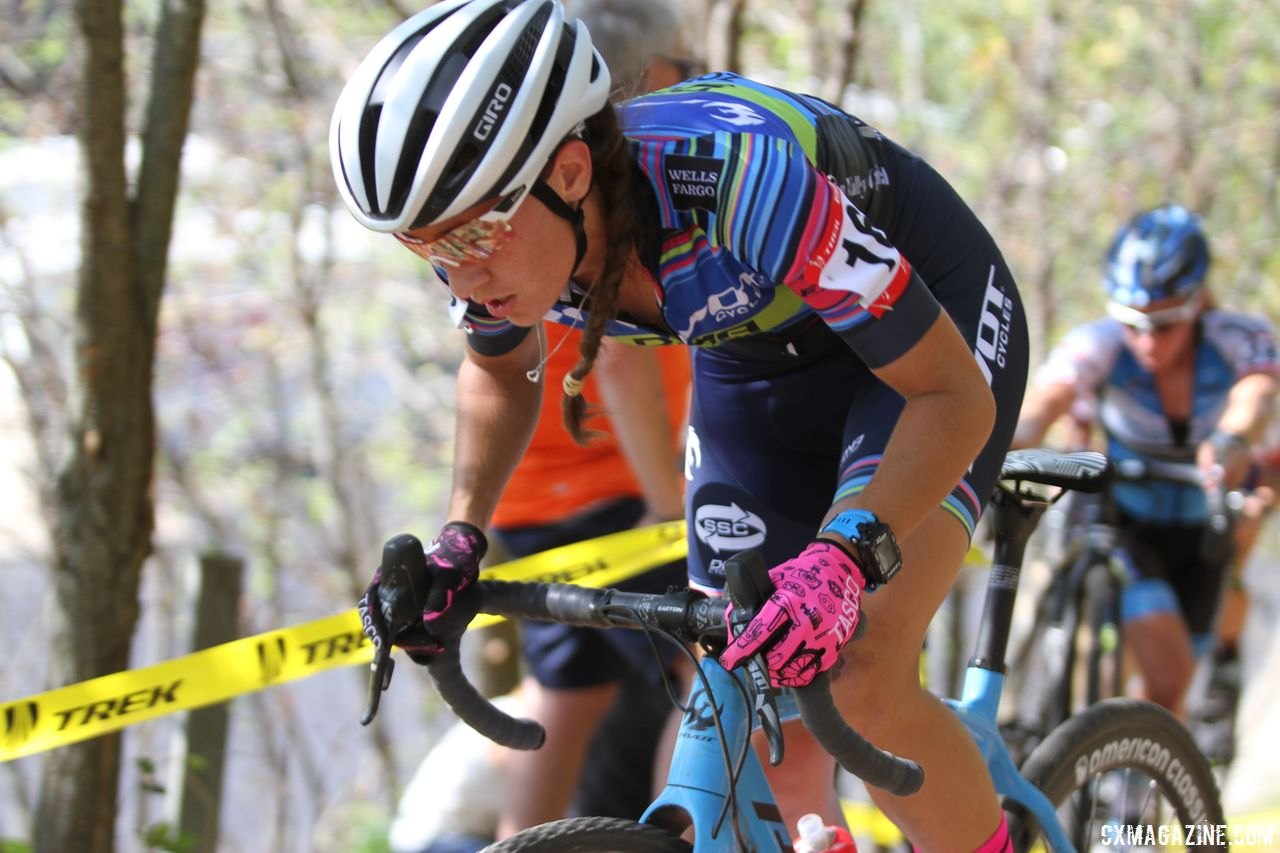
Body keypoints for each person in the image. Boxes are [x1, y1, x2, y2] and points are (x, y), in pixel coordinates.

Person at [339, 2, 1029, 850]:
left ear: (567, 172)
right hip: (756, 356)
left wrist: (845, 556)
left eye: (475, 234)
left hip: (926, 336)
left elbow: (951, 398)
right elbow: (498, 371)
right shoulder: (499, 240)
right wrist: (460, 541)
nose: (461, 272)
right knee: (745, 679)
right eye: (426, 247)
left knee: (861, 669)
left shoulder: (739, 184)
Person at [482, 0, 696, 836]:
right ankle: (690, 834)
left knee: (564, 704)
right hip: (616, 493)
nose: (696, 71)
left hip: (531, 500)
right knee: (711, 680)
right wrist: (669, 511)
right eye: (683, 58)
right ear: (638, 74)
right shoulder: (612, 183)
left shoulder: (533, 179)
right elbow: (622, 353)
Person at [1014, 204, 1278, 719]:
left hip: (1204, 528)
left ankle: (1138, 786)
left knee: (1170, 698)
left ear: (1198, 301)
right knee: (1166, 670)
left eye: (1164, 325)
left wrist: (1230, 441)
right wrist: (1012, 438)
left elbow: (1257, 397)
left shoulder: (1237, 337)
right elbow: (1048, 399)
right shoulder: (1100, 344)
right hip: (1127, 523)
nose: (1146, 342)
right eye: (1132, 325)